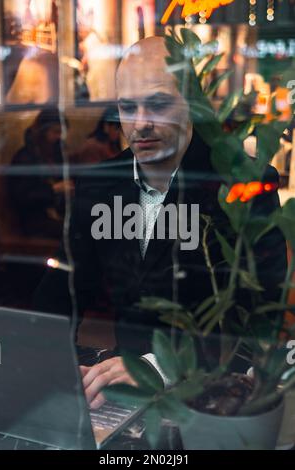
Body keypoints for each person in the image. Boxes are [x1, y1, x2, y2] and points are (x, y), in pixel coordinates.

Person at [34, 37, 287, 409]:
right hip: (119, 389)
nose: (140, 123)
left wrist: (160, 369)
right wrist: (43, 366)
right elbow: (60, 294)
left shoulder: (243, 183)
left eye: (157, 104)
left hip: (213, 399)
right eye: (128, 107)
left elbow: (260, 321)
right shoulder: (101, 182)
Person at [8, 107, 72, 238]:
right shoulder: (25, 157)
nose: (59, 137)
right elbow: (23, 197)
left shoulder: (55, 153)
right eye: (56, 132)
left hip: (57, 212)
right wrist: (54, 188)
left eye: (62, 132)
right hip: (35, 220)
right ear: (43, 131)